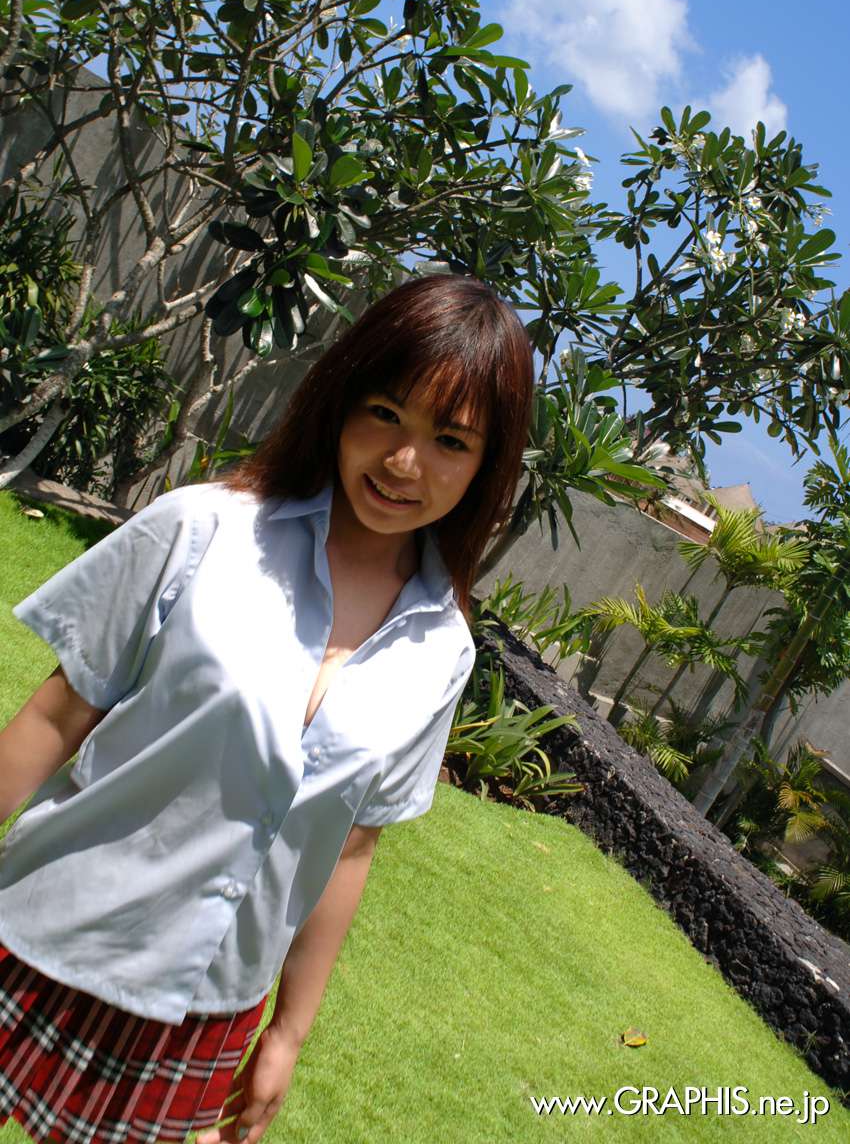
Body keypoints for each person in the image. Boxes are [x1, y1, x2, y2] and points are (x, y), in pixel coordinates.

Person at [0, 273, 534, 1144]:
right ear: (341, 402)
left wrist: (288, 1032)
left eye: (450, 440)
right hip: (50, 925)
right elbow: (56, 717)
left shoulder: (444, 650)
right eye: (386, 414)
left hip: (205, 1003)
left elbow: (350, 846)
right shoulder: (203, 531)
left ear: (486, 465)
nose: (404, 463)